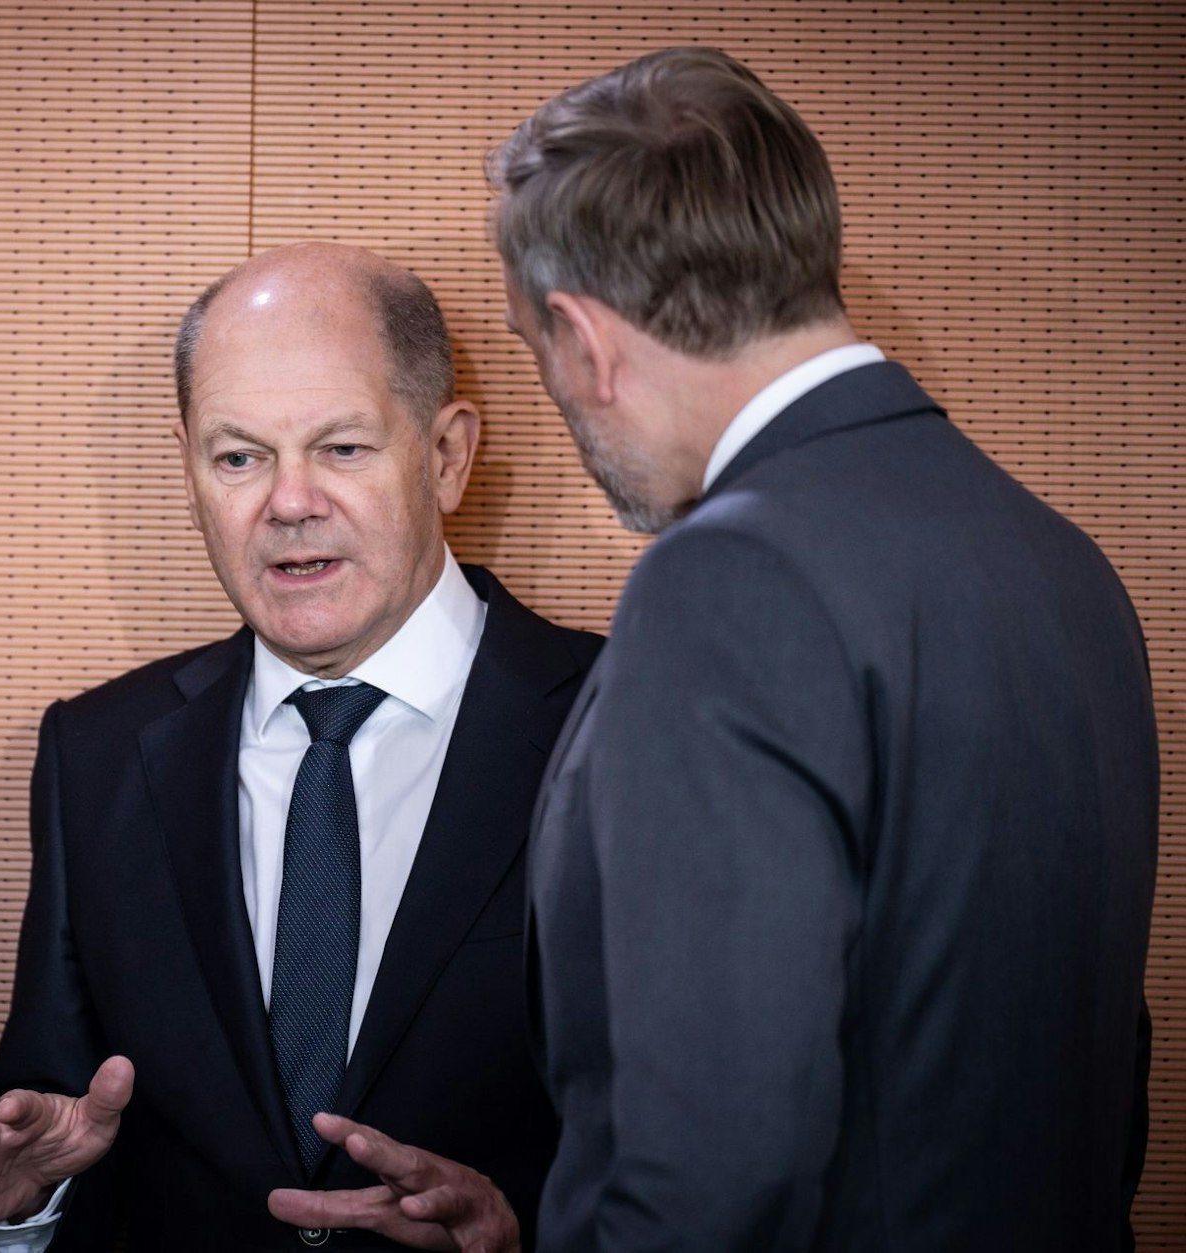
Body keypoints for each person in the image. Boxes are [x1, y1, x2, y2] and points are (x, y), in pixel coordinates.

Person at [491, 48, 1158, 1252]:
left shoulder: (725, 578)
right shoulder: (1064, 564)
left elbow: (714, 1172)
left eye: (534, 356)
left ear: (582, 338)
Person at [0, 243, 603, 1252]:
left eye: (342, 448)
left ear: (446, 455)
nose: (289, 501)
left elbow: (721, 1126)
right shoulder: (96, 754)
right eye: (239, 457)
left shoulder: (625, 719)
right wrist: (32, 1202)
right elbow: (55, 1111)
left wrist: (523, 1230)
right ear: (189, 470)